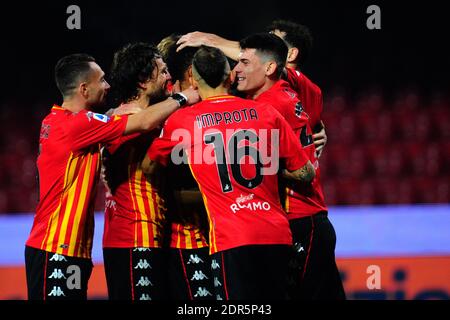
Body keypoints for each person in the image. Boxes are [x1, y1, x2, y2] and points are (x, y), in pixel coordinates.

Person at [144, 46, 315, 300]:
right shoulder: (267, 112)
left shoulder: (183, 121)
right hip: (277, 235)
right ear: (230, 76)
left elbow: (149, 167)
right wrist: (263, 164)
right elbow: (305, 173)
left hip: (230, 238)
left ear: (192, 78)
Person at [25, 53, 199, 300]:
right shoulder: (78, 124)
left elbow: (111, 119)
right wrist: (183, 98)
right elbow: (143, 121)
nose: (107, 86)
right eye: (102, 80)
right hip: (57, 247)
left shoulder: (55, 120)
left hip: (69, 248)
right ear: (84, 89)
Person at [234, 33, 345, 300]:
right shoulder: (282, 95)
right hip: (307, 221)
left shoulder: (270, 105)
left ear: (271, 68)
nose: (236, 70)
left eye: (245, 63)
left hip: (299, 218)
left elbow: (301, 170)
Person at [176, 21, 327, 157]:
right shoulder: (256, 89)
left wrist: (211, 40)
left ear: (291, 54)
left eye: (272, 41)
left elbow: (260, 58)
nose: (264, 45)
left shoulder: (301, 85)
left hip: (289, 182)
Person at [101, 42, 175, 300]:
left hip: (129, 236)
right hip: (136, 236)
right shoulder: (133, 121)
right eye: (163, 71)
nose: (169, 77)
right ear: (143, 81)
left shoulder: (113, 117)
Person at [156, 34, 214, 300]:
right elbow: (168, 191)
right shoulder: (175, 120)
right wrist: (228, 196)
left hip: (215, 243)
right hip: (188, 243)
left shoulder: (215, 113)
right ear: (192, 75)